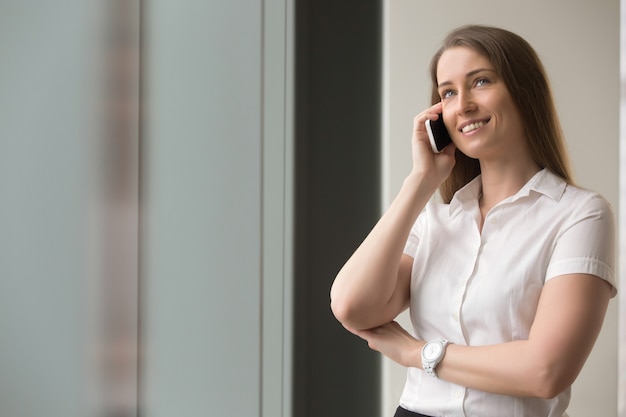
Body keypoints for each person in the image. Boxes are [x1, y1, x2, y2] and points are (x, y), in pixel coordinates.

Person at [330, 24, 617, 417]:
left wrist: (418, 353)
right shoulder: (433, 219)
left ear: (523, 91)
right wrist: (419, 182)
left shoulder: (580, 215)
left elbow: (546, 371)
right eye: (448, 92)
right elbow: (351, 306)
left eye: (480, 81)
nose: (462, 104)